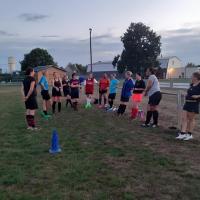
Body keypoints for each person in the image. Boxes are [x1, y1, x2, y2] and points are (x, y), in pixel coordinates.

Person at [176, 72, 200, 141]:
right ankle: (182, 133)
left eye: (192, 76)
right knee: (184, 118)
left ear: (196, 77)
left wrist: (198, 96)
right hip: (187, 103)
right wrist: (185, 94)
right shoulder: (192, 84)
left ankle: (189, 134)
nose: (191, 78)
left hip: (194, 104)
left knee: (191, 119)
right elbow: (189, 92)